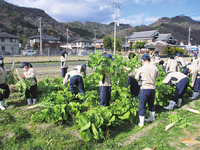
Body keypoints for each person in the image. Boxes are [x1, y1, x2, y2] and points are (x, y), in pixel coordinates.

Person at [135, 54, 159, 127]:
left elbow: (136, 77)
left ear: (143, 60)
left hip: (145, 88)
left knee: (142, 105)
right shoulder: (155, 68)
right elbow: (157, 76)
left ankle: (141, 123)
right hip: (152, 88)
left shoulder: (141, 68)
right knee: (151, 103)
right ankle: (152, 118)